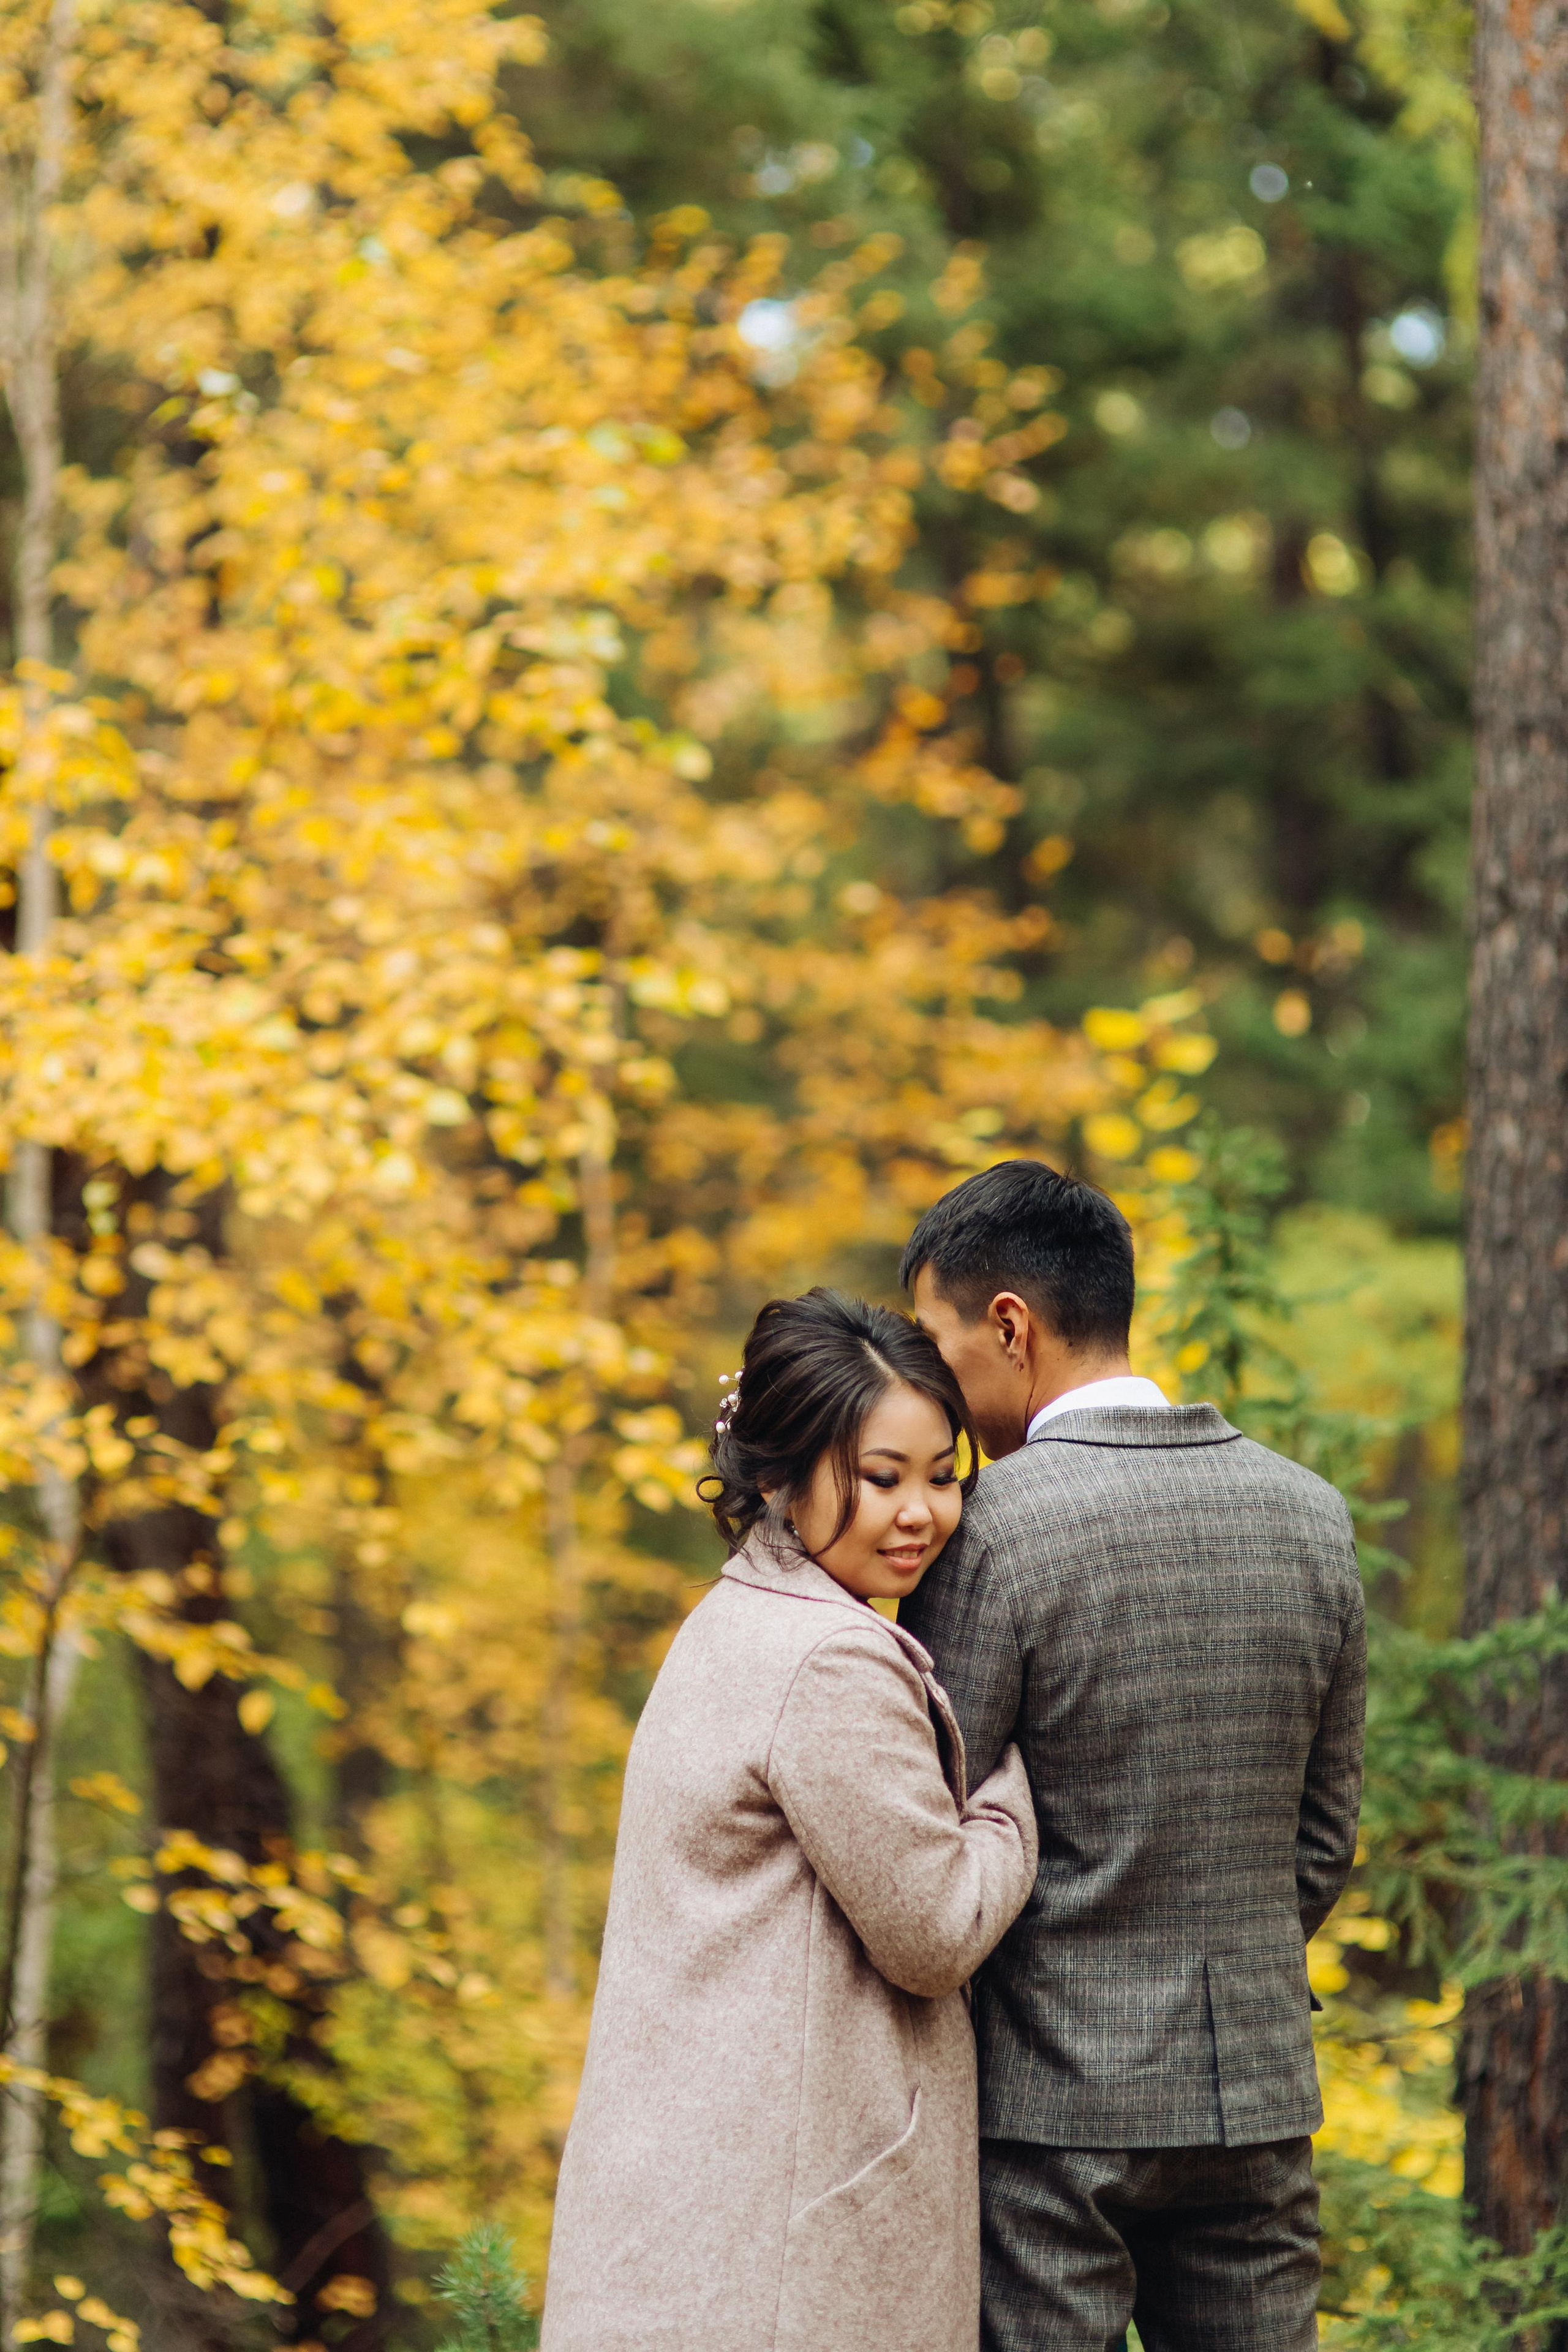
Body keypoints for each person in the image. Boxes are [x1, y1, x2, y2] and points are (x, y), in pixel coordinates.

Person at [899, 1159, 1366, 2352]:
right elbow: (1322, 1842)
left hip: (1047, 2112)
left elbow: (937, 1825)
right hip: (1254, 2096)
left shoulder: (989, 1529)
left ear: (1011, 1326)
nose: (928, 1388)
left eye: (935, 1344)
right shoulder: (1310, 1514)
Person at [541, 1287, 1039, 2352]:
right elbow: (938, 1929)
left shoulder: (737, 1616)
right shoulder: (828, 1659)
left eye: (943, 1476)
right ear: (779, 1476)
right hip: (783, 2243)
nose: (922, 1513)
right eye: (881, 1478)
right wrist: (1010, 1790)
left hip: (692, 2215)